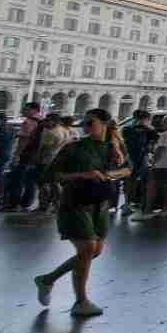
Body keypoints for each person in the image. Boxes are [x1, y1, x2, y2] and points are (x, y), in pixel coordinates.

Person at [32, 109, 130, 317]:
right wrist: (83, 175)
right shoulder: (74, 148)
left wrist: (110, 174)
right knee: (87, 249)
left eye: (90, 123)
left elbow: (129, 169)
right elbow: (52, 174)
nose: (85, 127)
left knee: (93, 251)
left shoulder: (115, 147)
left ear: (104, 124)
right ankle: (80, 300)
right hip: (75, 202)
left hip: (100, 203)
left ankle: (48, 279)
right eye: (84, 123)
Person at [132, 115, 167, 221]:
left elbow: (160, 149)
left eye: (164, 122)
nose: (162, 124)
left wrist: (153, 162)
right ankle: (166, 209)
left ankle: (148, 211)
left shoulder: (166, 134)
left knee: (151, 186)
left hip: (162, 164)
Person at [1, 102, 44, 212]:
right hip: (37, 156)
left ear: (35, 110)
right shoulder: (43, 122)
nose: (24, 111)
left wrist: (16, 155)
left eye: (26, 109)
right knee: (30, 181)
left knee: (17, 179)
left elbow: (23, 141)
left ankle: (13, 203)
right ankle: (26, 202)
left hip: (25, 155)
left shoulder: (28, 122)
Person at [34, 114, 73, 214]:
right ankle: (57, 205)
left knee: (44, 183)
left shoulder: (51, 133)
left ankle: (43, 205)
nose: (45, 122)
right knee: (55, 184)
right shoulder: (65, 130)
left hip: (46, 160)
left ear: (54, 121)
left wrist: (37, 158)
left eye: (48, 120)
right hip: (59, 160)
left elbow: (44, 149)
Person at [120, 111, 156, 215]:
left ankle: (133, 203)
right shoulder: (128, 129)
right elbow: (127, 143)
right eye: (146, 119)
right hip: (132, 158)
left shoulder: (147, 130)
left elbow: (154, 139)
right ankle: (127, 204)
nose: (147, 122)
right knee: (130, 181)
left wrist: (150, 129)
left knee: (136, 181)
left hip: (141, 158)